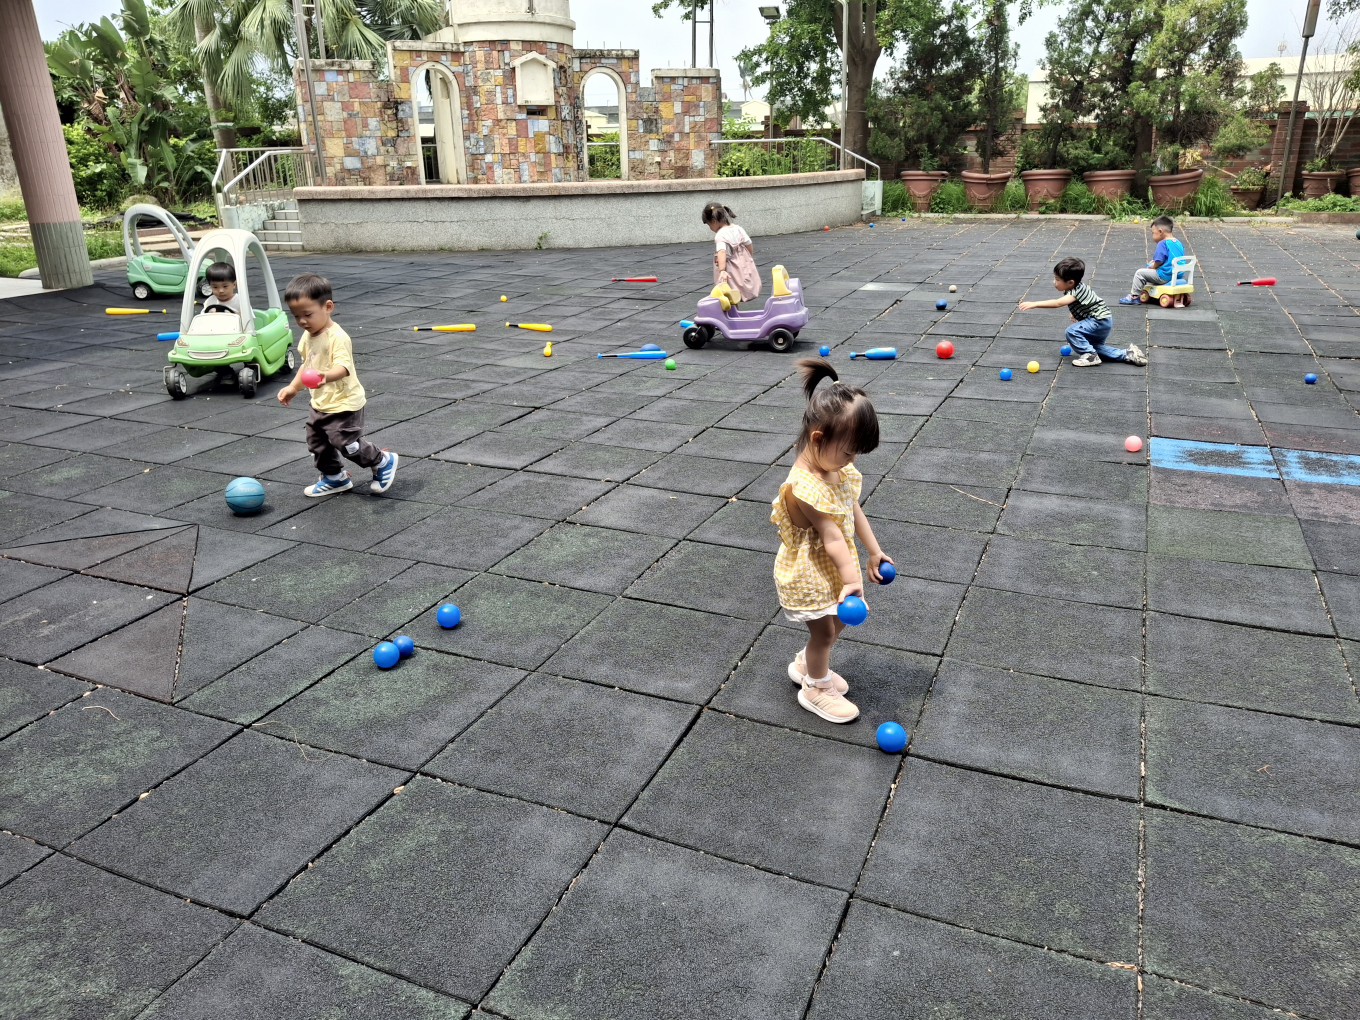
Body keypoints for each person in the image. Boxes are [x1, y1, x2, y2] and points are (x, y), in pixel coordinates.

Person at [771, 358, 894, 724]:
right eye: (848, 451)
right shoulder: (804, 487)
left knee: (836, 623)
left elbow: (852, 509)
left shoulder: (834, 467)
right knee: (824, 632)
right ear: (818, 439)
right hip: (810, 571)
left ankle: (807, 664)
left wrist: (873, 551)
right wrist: (852, 579)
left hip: (834, 565)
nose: (851, 460)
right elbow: (831, 535)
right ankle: (815, 686)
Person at [276, 273, 398, 497]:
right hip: (321, 403)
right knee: (317, 442)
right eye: (296, 316)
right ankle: (334, 478)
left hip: (345, 403)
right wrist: (293, 387)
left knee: (346, 443)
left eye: (307, 314)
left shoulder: (337, 337)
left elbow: (343, 368)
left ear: (328, 307)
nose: (302, 321)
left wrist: (323, 376)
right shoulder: (308, 336)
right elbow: (306, 366)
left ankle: (381, 461)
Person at [1019, 257, 1147, 368]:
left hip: (1099, 321)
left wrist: (1035, 304)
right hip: (1103, 320)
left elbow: (1058, 303)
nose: (1054, 282)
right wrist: (1076, 314)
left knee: (1071, 332)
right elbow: (1086, 303)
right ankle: (1128, 354)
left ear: (1070, 282)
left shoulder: (1075, 291)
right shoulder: (1077, 287)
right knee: (1094, 347)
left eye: (1057, 279)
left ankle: (1090, 356)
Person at [703, 202, 760, 310]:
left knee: (727, 290)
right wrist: (749, 257)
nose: (710, 228)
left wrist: (722, 270)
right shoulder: (738, 228)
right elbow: (748, 243)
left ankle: (732, 312)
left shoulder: (720, 235)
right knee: (741, 283)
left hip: (729, 267)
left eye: (709, 225)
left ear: (714, 221)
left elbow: (722, 252)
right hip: (743, 263)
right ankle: (739, 303)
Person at [1120, 216, 1186, 304]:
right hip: (1178, 274)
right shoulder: (1178, 242)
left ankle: (1134, 296)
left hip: (1165, 275)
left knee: (1140, 273)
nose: (1152, 235)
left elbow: (1159, 261)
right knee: (1152, 263)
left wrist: (1153, 267)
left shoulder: (1162, 243)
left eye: (1153, 233)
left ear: (1160, 232)